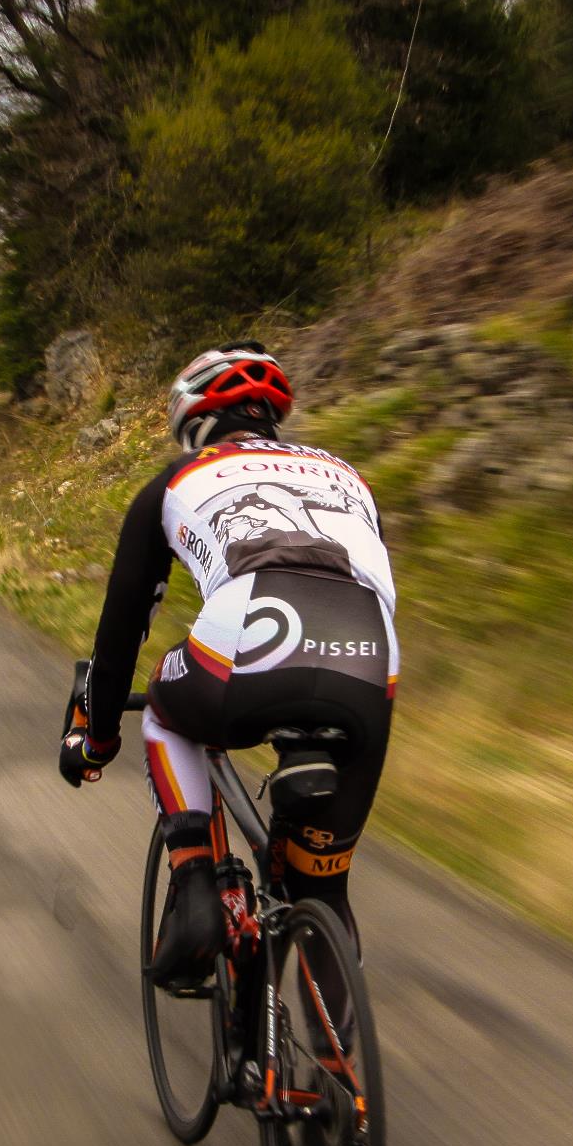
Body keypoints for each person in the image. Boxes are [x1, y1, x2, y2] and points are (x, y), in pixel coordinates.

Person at [58, 342, 398, 987]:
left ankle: (194, 888)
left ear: (195, 421)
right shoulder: (348, 475)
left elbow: (121, 630)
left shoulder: (176, 481)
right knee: (321, 888)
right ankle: (335, 1076)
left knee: (165, 707)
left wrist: (95, 738)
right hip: (368, 658)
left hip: (249, 637)